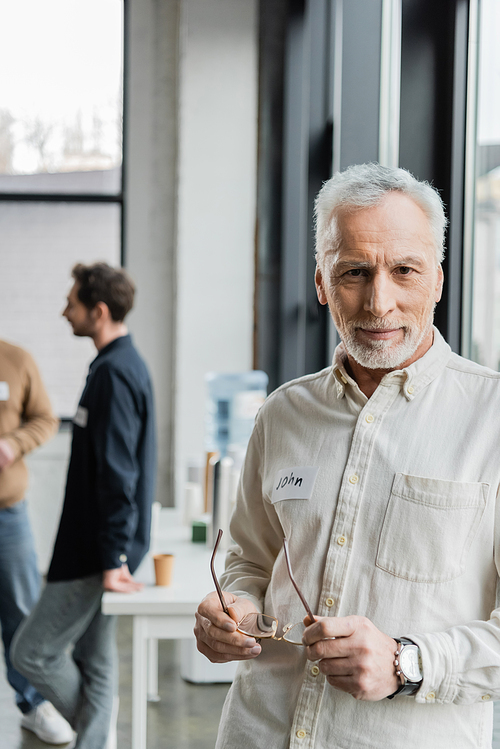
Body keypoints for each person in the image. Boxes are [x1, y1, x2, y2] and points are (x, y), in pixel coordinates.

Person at [194, 163, 500, 749]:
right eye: (354, 272)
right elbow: (248, 559)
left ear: (437, 278)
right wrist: (231, 607)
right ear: (321, 285)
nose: (379, 302)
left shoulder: (492, 419)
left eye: (403, 271)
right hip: (258, 732)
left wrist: (407, 663)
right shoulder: (282, 414)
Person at [12, 262, 157, 749]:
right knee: (96, 659)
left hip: (97, 553)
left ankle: (97, 734)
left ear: (97, 311)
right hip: (103, 547)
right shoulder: (115, 365)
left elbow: (120, 475)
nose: (62, 312)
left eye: (70, 303)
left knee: (30, 653)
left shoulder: (116, 373)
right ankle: (97, 740)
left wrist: (113, 558)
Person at [0, 340, 73, 744]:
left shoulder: (16, 360)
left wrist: (13, 444)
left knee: (22, 615)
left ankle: (33, 704)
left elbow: (44, 419)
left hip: (6, 513)